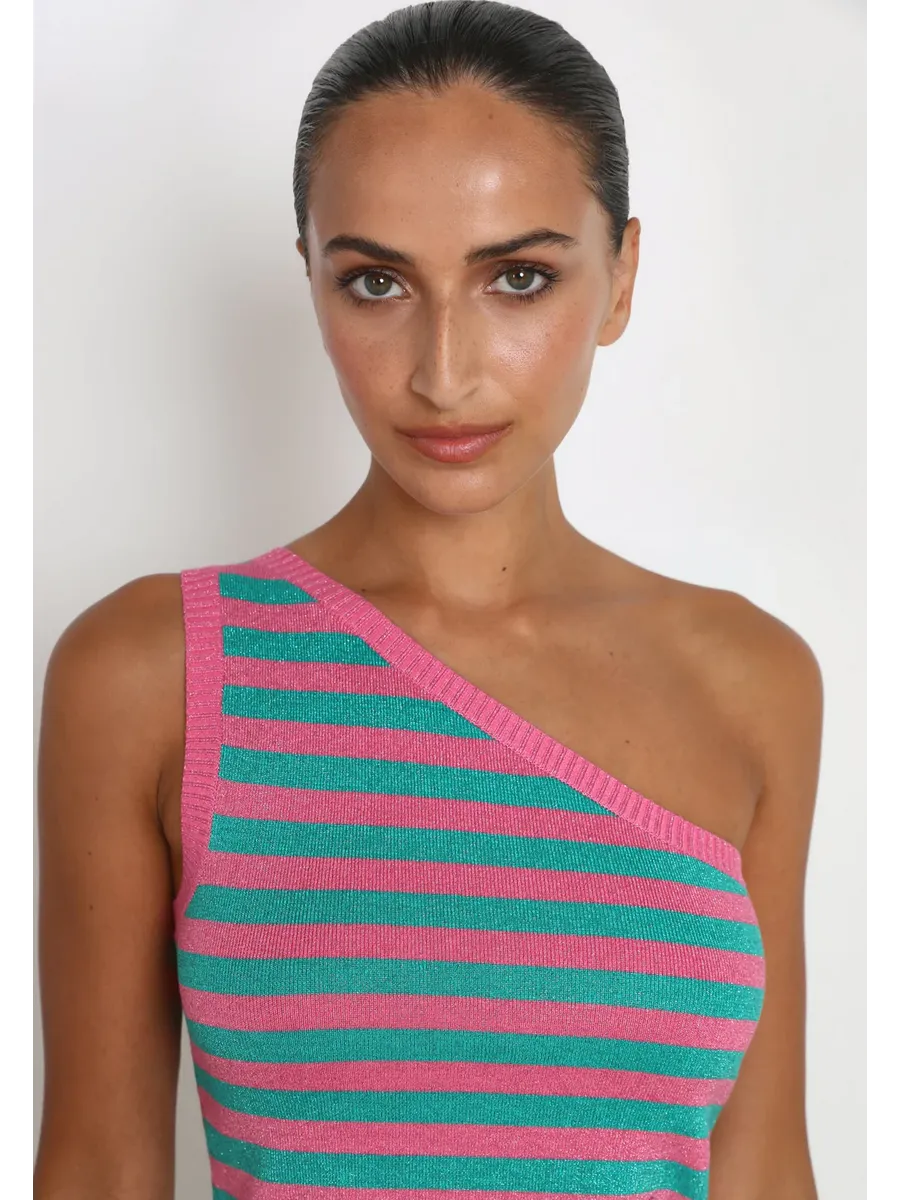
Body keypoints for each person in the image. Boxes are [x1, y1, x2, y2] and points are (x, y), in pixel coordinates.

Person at [33, 2, 824, 1198]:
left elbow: (765, 1170)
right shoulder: (157, 673)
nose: (444, 374)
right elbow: (98, 1168)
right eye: (376, 283)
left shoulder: (751, 680)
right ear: (311, 278)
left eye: (519, 278)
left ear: (620, 280)